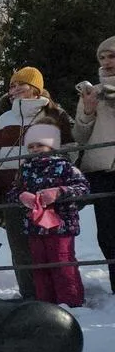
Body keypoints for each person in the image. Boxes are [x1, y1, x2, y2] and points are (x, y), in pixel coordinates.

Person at [0, 67, 75, 299]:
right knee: (20, 247)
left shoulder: (55, 114)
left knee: (50, 246)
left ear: (34, 88)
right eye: (11, 86)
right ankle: (29, 297)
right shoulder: (3, 118)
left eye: (19, 85)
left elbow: (71, 147)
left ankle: (59, 298)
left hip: (45, 193)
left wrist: (54, 174)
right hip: (12, 191)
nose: (13, 90)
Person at [5, 123, 90, 307]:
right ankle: (45, 304)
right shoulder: (25, 169)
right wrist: (21, 196)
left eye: (40, 145)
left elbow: (83, 188)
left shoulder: (65, 166)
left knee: (62, 262)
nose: (35, 150)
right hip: (35, 226)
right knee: (40, 265)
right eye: (31, 146)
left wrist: (60, 192)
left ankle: (71, 303)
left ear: (52, 146)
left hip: (61, 224)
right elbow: (12, 192)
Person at [73, 35, 115, 293]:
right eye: (102, 57)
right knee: (108, 234)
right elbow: (79, 136)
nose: (107, 62)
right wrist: (88, 111)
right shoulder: (92, 92)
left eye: (112, 56)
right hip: (101, 170)